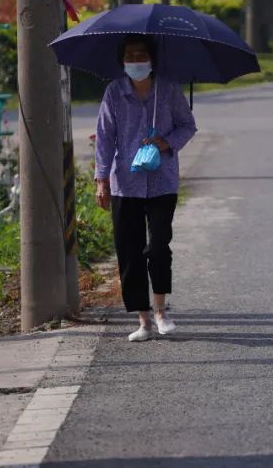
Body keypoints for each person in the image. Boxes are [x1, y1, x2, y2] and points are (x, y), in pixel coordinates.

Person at [94, 34, 198, 342]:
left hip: (162, 180)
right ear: (122, 60)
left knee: (158, 245)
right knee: (130, 251)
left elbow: (187, 125)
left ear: (152, 59)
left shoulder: (168, 89)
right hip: (125, 184)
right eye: (130, 55)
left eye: (141, 55)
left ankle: (161, 310)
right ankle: (143, 321)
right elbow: (104, 137)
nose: (136, 61)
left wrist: (167, 142)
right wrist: (101, 180)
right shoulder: (114, 92)